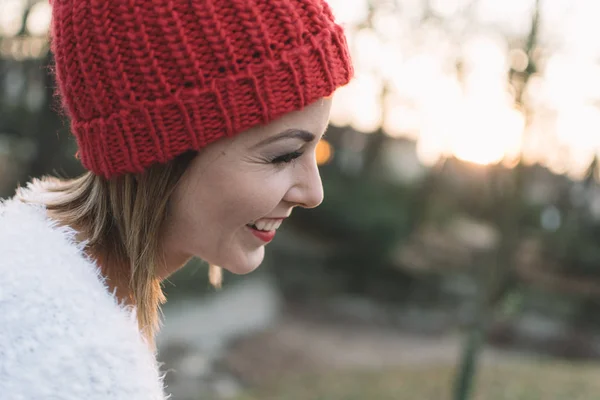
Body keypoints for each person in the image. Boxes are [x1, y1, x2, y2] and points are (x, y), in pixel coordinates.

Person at [0, 0, 353, 399]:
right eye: (283, 155)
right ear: (158, 151)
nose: (314, 193)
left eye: (317, 150)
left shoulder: (26, 269)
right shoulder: (78, 368)